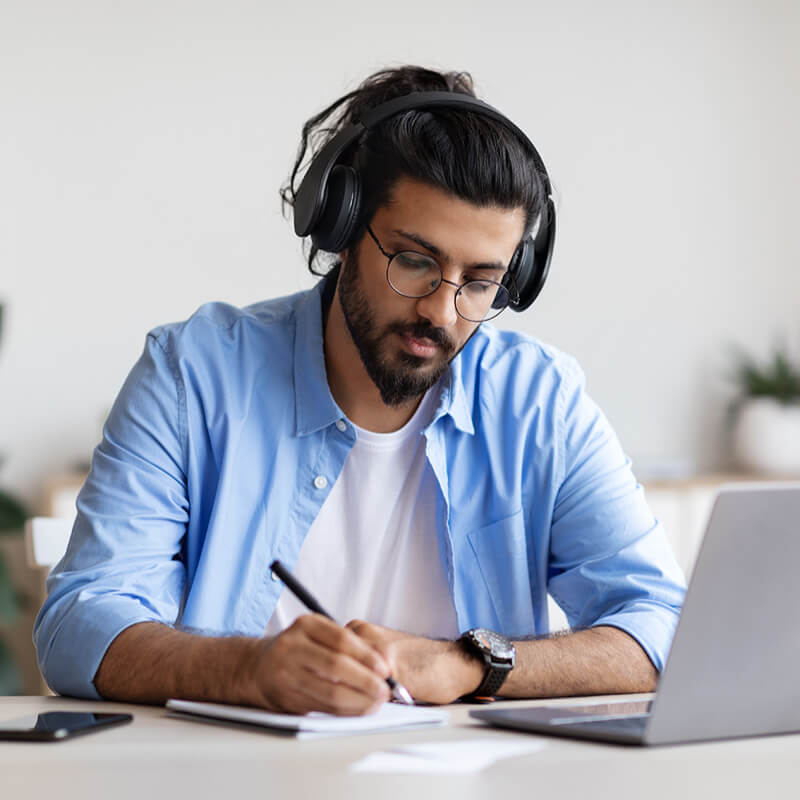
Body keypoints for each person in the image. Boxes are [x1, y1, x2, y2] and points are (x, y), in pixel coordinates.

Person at [34, 66, 685, 716]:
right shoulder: (193, 375)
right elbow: (79, 625)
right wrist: (250, 670)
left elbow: (661, 625)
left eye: (481, 282)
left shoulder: (541, 402)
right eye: (415, 261)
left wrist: (467, 663)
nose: (444, 311)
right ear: (340, 228)